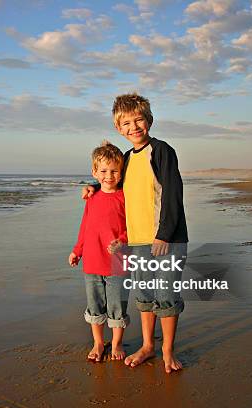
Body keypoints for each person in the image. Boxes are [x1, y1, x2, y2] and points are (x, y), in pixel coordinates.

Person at [83, 93, 188, 373]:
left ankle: (167, 350)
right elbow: (111, 180)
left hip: (166, 239)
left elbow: (173, 194)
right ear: (119, 128)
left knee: (165, 294)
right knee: (143, 295)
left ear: (149, 120)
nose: (134, 126)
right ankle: (147, 346)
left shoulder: (162, 151)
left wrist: (164, 234)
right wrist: (92, 186)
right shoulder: (127, 158)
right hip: (137, 240)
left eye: (138, 119)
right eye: (126, 123)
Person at [69, 141, 130, 362]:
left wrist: (122, 241)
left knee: (116, 305)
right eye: (103, 171)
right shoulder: (91, 197)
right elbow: (85, 226)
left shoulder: (125, 197)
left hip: (118, 262)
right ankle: (97, 342)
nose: (109, 175)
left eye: (114, 171)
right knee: (95, 304)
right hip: (93, 261)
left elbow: (132, 226)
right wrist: (77, 250)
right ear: (94, 172)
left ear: (121, 173)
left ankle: (116, 342)